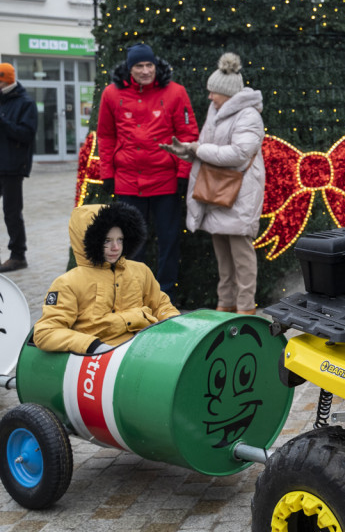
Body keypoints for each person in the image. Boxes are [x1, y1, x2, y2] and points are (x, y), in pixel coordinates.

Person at [96, 43, 199, 305]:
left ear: (156, 65)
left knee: (169, 242)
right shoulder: (111, 94)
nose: (145, 71)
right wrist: (107, 173)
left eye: (149, 65)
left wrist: (183, 174)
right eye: (139, 66)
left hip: (166, 181)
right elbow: (106, 136)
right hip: (128, 181)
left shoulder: (175, 92)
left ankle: (166, 296)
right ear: (129, 69)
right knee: (130, 244)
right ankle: (132, 298)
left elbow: (187, 136)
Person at [162, 53, 265, 312]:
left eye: (213, 92)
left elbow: (239, 155)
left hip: (239, 192)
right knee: (223, 257)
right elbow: (208, 147)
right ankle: (225, 304)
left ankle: (245, 307)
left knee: (241, 256)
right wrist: (185, 149)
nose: (209, 97)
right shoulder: (217, 110)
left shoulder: (248, 116)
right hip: (218, 191)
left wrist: (197, 149)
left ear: (227, 94)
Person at [33, 202, 179, 354]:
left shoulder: (140, 271)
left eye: (120, 239)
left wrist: (177, 324)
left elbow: (161, 306)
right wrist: (92, 346)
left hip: (146, 347)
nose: (115, 247)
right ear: (89, 241)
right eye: (107, 241)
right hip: (100, 360)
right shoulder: (68, 283)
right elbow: (46, 332)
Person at [0, 62, 37, 273]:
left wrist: (2, 122)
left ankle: (18, 255)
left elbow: (26, 134)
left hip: (13, 166)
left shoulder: (25, 103)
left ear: (5, 80)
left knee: (11, 213)